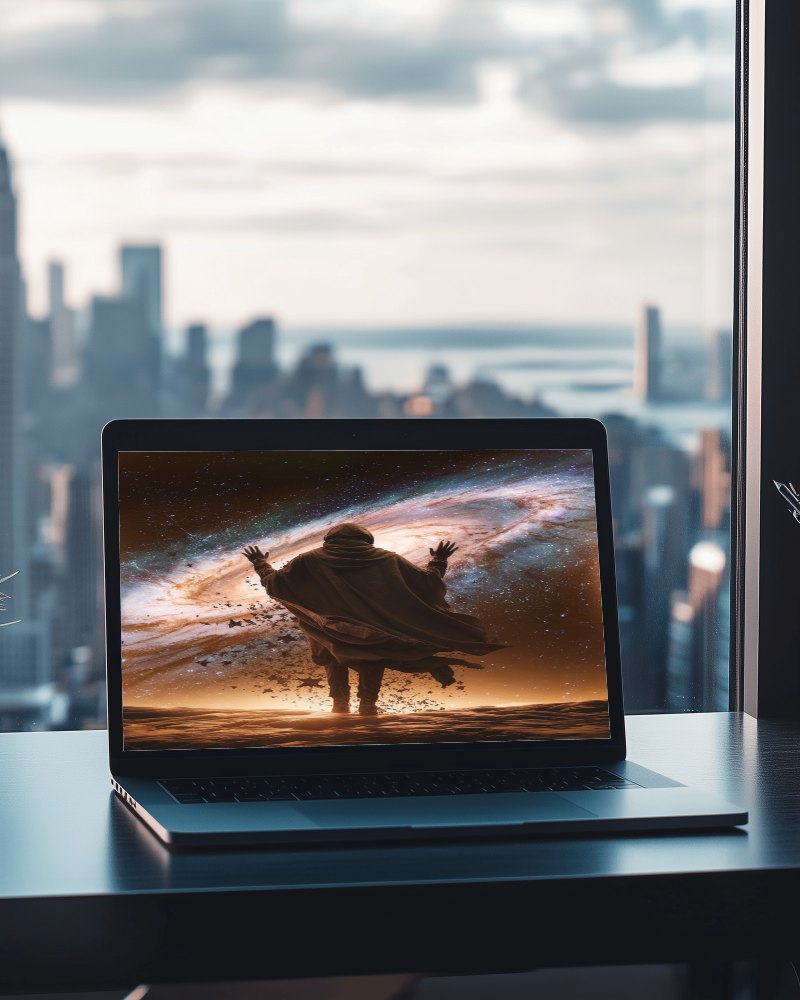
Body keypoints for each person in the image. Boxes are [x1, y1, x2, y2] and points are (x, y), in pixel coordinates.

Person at [242, 522, 506, 715]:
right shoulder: (387, 559)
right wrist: (438, 560)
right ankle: (368, 706)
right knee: (372, 660)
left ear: (329, 538)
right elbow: (427, 585)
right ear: (366, 538)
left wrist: (260, 564)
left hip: (328, 627)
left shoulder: (310, 559)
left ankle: (339, 707)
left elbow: (276, 584)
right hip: (373, 629)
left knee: (335, 660)